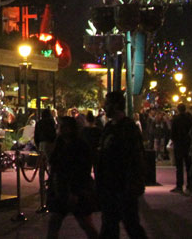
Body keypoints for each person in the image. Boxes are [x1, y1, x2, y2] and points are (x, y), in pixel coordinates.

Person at [96, 91, 147, 239]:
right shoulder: (109, 127)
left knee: (131, 225)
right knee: (109, 226)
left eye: (107, 104)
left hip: (124, 186)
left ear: (116, 105)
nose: (105, 107)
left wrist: (134, 183)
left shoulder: (128, 128)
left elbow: (135, 158)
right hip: (109, 186)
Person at [46, 116, 100, 239]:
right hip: (61, 189)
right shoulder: (59, 143)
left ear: (70, 129)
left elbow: (83, 170)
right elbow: (55, 165)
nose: (59, 129)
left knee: (85, 223)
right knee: (54, 222)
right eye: (59, 127)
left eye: (62, 127)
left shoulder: (80, 145)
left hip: (76, 189)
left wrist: (75, 191)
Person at [170, 103, 192, 193]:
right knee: (188, 166)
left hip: (179, 144)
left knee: (179, 167)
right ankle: (190, 185)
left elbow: (173, 132)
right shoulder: (189, 118)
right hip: (187, 143)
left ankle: (179, 186)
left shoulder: (176, 119)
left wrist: (174, 140)